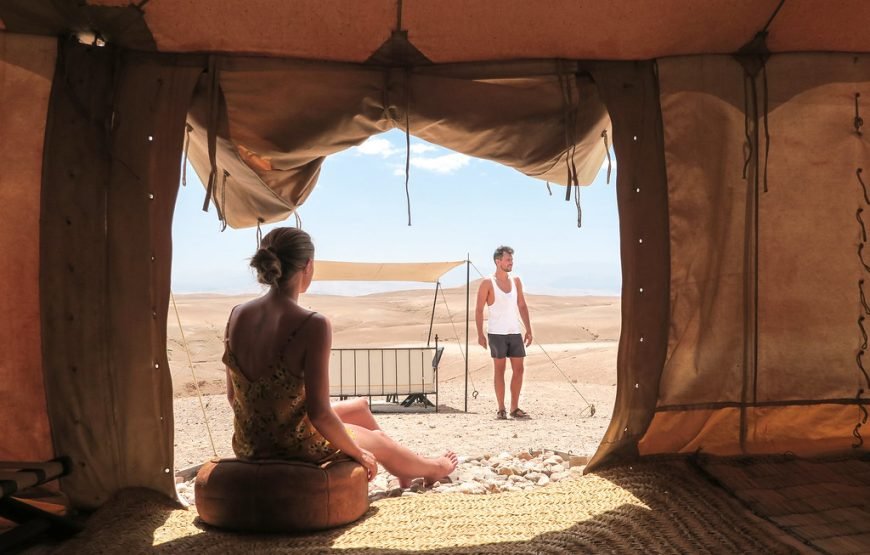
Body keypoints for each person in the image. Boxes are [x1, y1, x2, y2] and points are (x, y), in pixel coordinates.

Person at [223, 227, 458, 487]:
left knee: (359, 408)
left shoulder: (236, 315)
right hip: (291, 447)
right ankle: (432, 468)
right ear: (308, 266)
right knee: (378, 441)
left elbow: (233, 397)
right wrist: (359, 453)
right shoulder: (312, 324)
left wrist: (265, 426)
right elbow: (320, 414)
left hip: (248, 443)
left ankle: (402, 468)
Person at [474, 245, 533, 420]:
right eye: (508, 260)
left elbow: (522, 305)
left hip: (514, 332)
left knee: (519, 370)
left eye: (512, 260)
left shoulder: (516, 281)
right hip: (496, 333)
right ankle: (501, 408)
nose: (511, 262)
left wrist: (529, 329)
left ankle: (514, 408)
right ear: (498, 261)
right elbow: (478, 310)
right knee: (499, 370)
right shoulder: (487, 283)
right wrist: (480, 334)